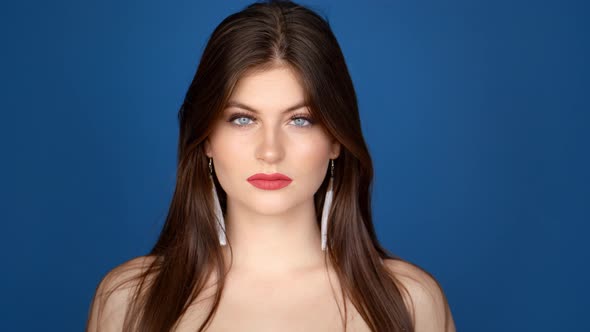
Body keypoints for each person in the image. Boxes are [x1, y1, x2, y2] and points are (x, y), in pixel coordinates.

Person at [86, 1, 456, 331]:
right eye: (242, 119)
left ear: (335, 140)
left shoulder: (409, 301)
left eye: (300, 120)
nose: (270, 151)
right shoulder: (129, 300)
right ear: (207, 139)